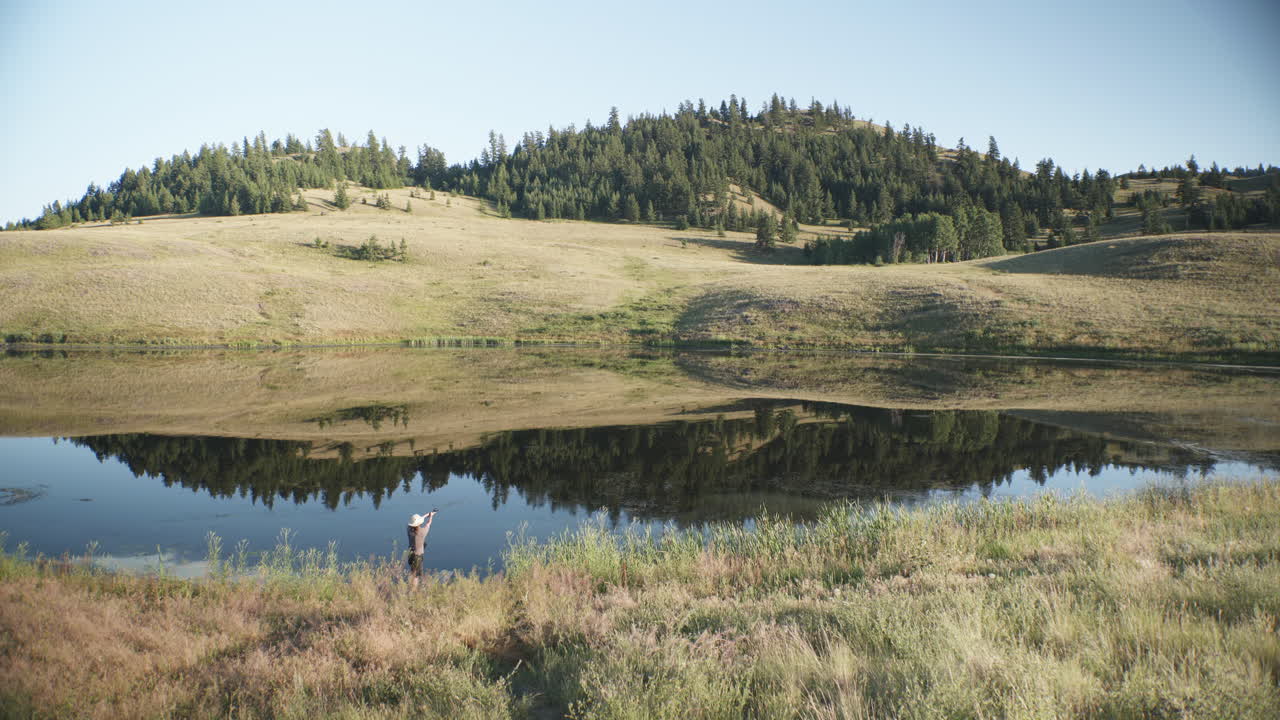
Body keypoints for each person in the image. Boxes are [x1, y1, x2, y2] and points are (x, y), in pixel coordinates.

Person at [406, 510, 437, 588]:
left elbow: (418, 522)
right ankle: (414, 591)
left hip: (410, 554)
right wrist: (431, 516)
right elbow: (428, 523)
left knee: (413, 572)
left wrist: (427, 514)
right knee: (416, 575)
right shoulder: (422, 532)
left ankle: (412, 587)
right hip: (418, 556)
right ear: (419, 523)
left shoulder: (409, 530)